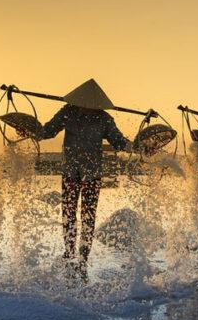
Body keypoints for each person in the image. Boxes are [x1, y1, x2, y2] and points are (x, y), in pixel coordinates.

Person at [40, 79, 131, 265]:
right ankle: (69, 251)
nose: (88, 108)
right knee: (68, 213)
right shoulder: (68, 111)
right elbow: (47, 131)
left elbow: (119, 142)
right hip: (70, 172)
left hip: (92, 174)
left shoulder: (104, 118)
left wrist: (136, 146)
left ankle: (83, 256)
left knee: (88, 215)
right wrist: (31, 129)